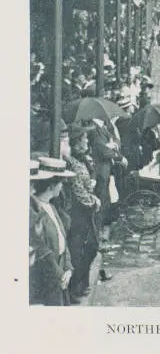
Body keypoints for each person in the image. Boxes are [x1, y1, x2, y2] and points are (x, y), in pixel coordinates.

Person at [60, 125, 102, 302]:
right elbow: (79, 191)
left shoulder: (83, 159)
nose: (86, 141)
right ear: (76, 143)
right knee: (78, 250)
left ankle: (81, 283)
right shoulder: (73, 162)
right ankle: (75, 288)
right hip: (78, 212)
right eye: (83, 139)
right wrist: (94, 201)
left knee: (91, 247)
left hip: (86, 211)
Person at [29, 158, 75, 306]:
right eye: (60, 183)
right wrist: (60, 275)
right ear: (51, 186)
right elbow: (41, 249)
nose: (61, 187)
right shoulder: (34, 212)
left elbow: (62, 239)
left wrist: (68, 267)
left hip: (60, 269)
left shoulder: (51, 207)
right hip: (48, 275)